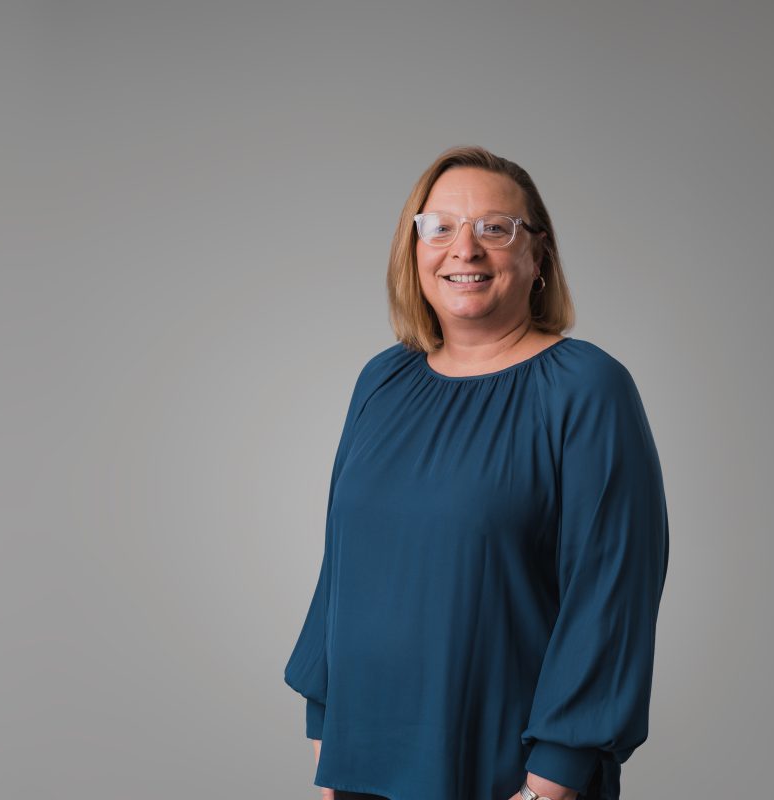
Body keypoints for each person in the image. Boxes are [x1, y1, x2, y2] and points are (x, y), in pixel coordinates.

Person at [283, 145, 670, 800]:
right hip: (361, 767)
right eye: (440, 227)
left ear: (538, 254)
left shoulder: (587, 388)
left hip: (505, 776)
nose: (465, 250)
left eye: (495, 228)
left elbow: (611, 595)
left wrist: (552, 784)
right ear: (414, 249)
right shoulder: (382, 380)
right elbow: (342, 567)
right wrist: (327, 733)